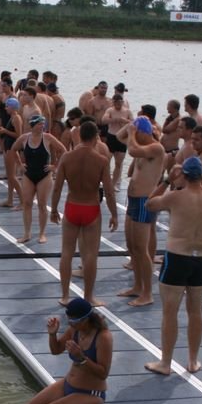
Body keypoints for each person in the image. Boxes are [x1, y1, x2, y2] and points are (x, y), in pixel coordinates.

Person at [143, 157, 202, 375]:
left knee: (170, 312)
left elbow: (149, 204)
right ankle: (192, 360)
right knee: (196, 311)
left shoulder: (175, 197)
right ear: (201, 175)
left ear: (184, 176)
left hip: (177, 257)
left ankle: (165, 363)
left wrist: (165, 180)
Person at [19, 298, 113, 404]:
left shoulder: (103, 337)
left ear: (85, 320)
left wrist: (81, 358)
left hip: (91, 394)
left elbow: (103, 373)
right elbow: (56, 350)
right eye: (68, 321)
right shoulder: (74, 330)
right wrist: (52, 334)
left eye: (73, 322)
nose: (70, 324)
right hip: (67, 384)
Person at [51, 121, 118, 307]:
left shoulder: (66, 157)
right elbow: (110, 191)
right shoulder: (101, 161)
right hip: (91, 209)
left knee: (66, 253)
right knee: (90, 255)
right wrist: (114, 214)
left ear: (79, 136)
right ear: (96, 137)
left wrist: (54, 209)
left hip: (72, 206)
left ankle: (65, 296)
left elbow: (57, 188)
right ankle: (89, 297)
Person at [118, 117, 165, 307]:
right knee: (132, 246)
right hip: (133, 201)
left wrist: (131, 133)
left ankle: (147, 293)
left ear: (144, 134)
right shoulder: (138, 143)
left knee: (142, 249)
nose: (133, 137)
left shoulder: (155, 148)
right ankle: (137, 286)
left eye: (137, 134)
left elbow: (132, 148)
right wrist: (130, 124)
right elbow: (119, 136)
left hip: (145, 202)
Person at [11, 114, 66, 244]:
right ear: (33, 126)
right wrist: (19, 164)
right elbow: (13, 150)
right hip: (29, 175)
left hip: (44, 175)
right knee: (27, 203)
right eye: (40, 124)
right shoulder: (24, 138)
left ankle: (42, 233)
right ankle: (27, 233)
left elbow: (63, 150)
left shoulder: (47, 138)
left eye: (43, 124)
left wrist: (55, 166)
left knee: (42, 205)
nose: (42, 126)